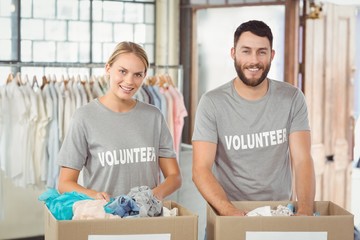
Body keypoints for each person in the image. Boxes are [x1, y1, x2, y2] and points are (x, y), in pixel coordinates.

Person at [192, 20, 315, 216]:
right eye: (246, 51)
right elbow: (200, 169)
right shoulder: (212, 103)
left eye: (262, 52)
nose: (254, 60)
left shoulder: (292, 98)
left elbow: (302, 160)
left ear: (272, 55)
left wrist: (306, 210)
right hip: (229, 213)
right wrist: (229, 211)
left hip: (279, 213)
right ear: (233, 53)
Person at [57, 41, 181, 202]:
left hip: (147, 221)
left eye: (137, 74)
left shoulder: (154, 117)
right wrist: (94, 195)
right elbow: (64, 183)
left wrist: (154, 195)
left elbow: (174, 177)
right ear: (108, 68)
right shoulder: (84, 117)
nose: (129, 81)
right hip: (104, 218)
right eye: (122, 71)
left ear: (144, 76)